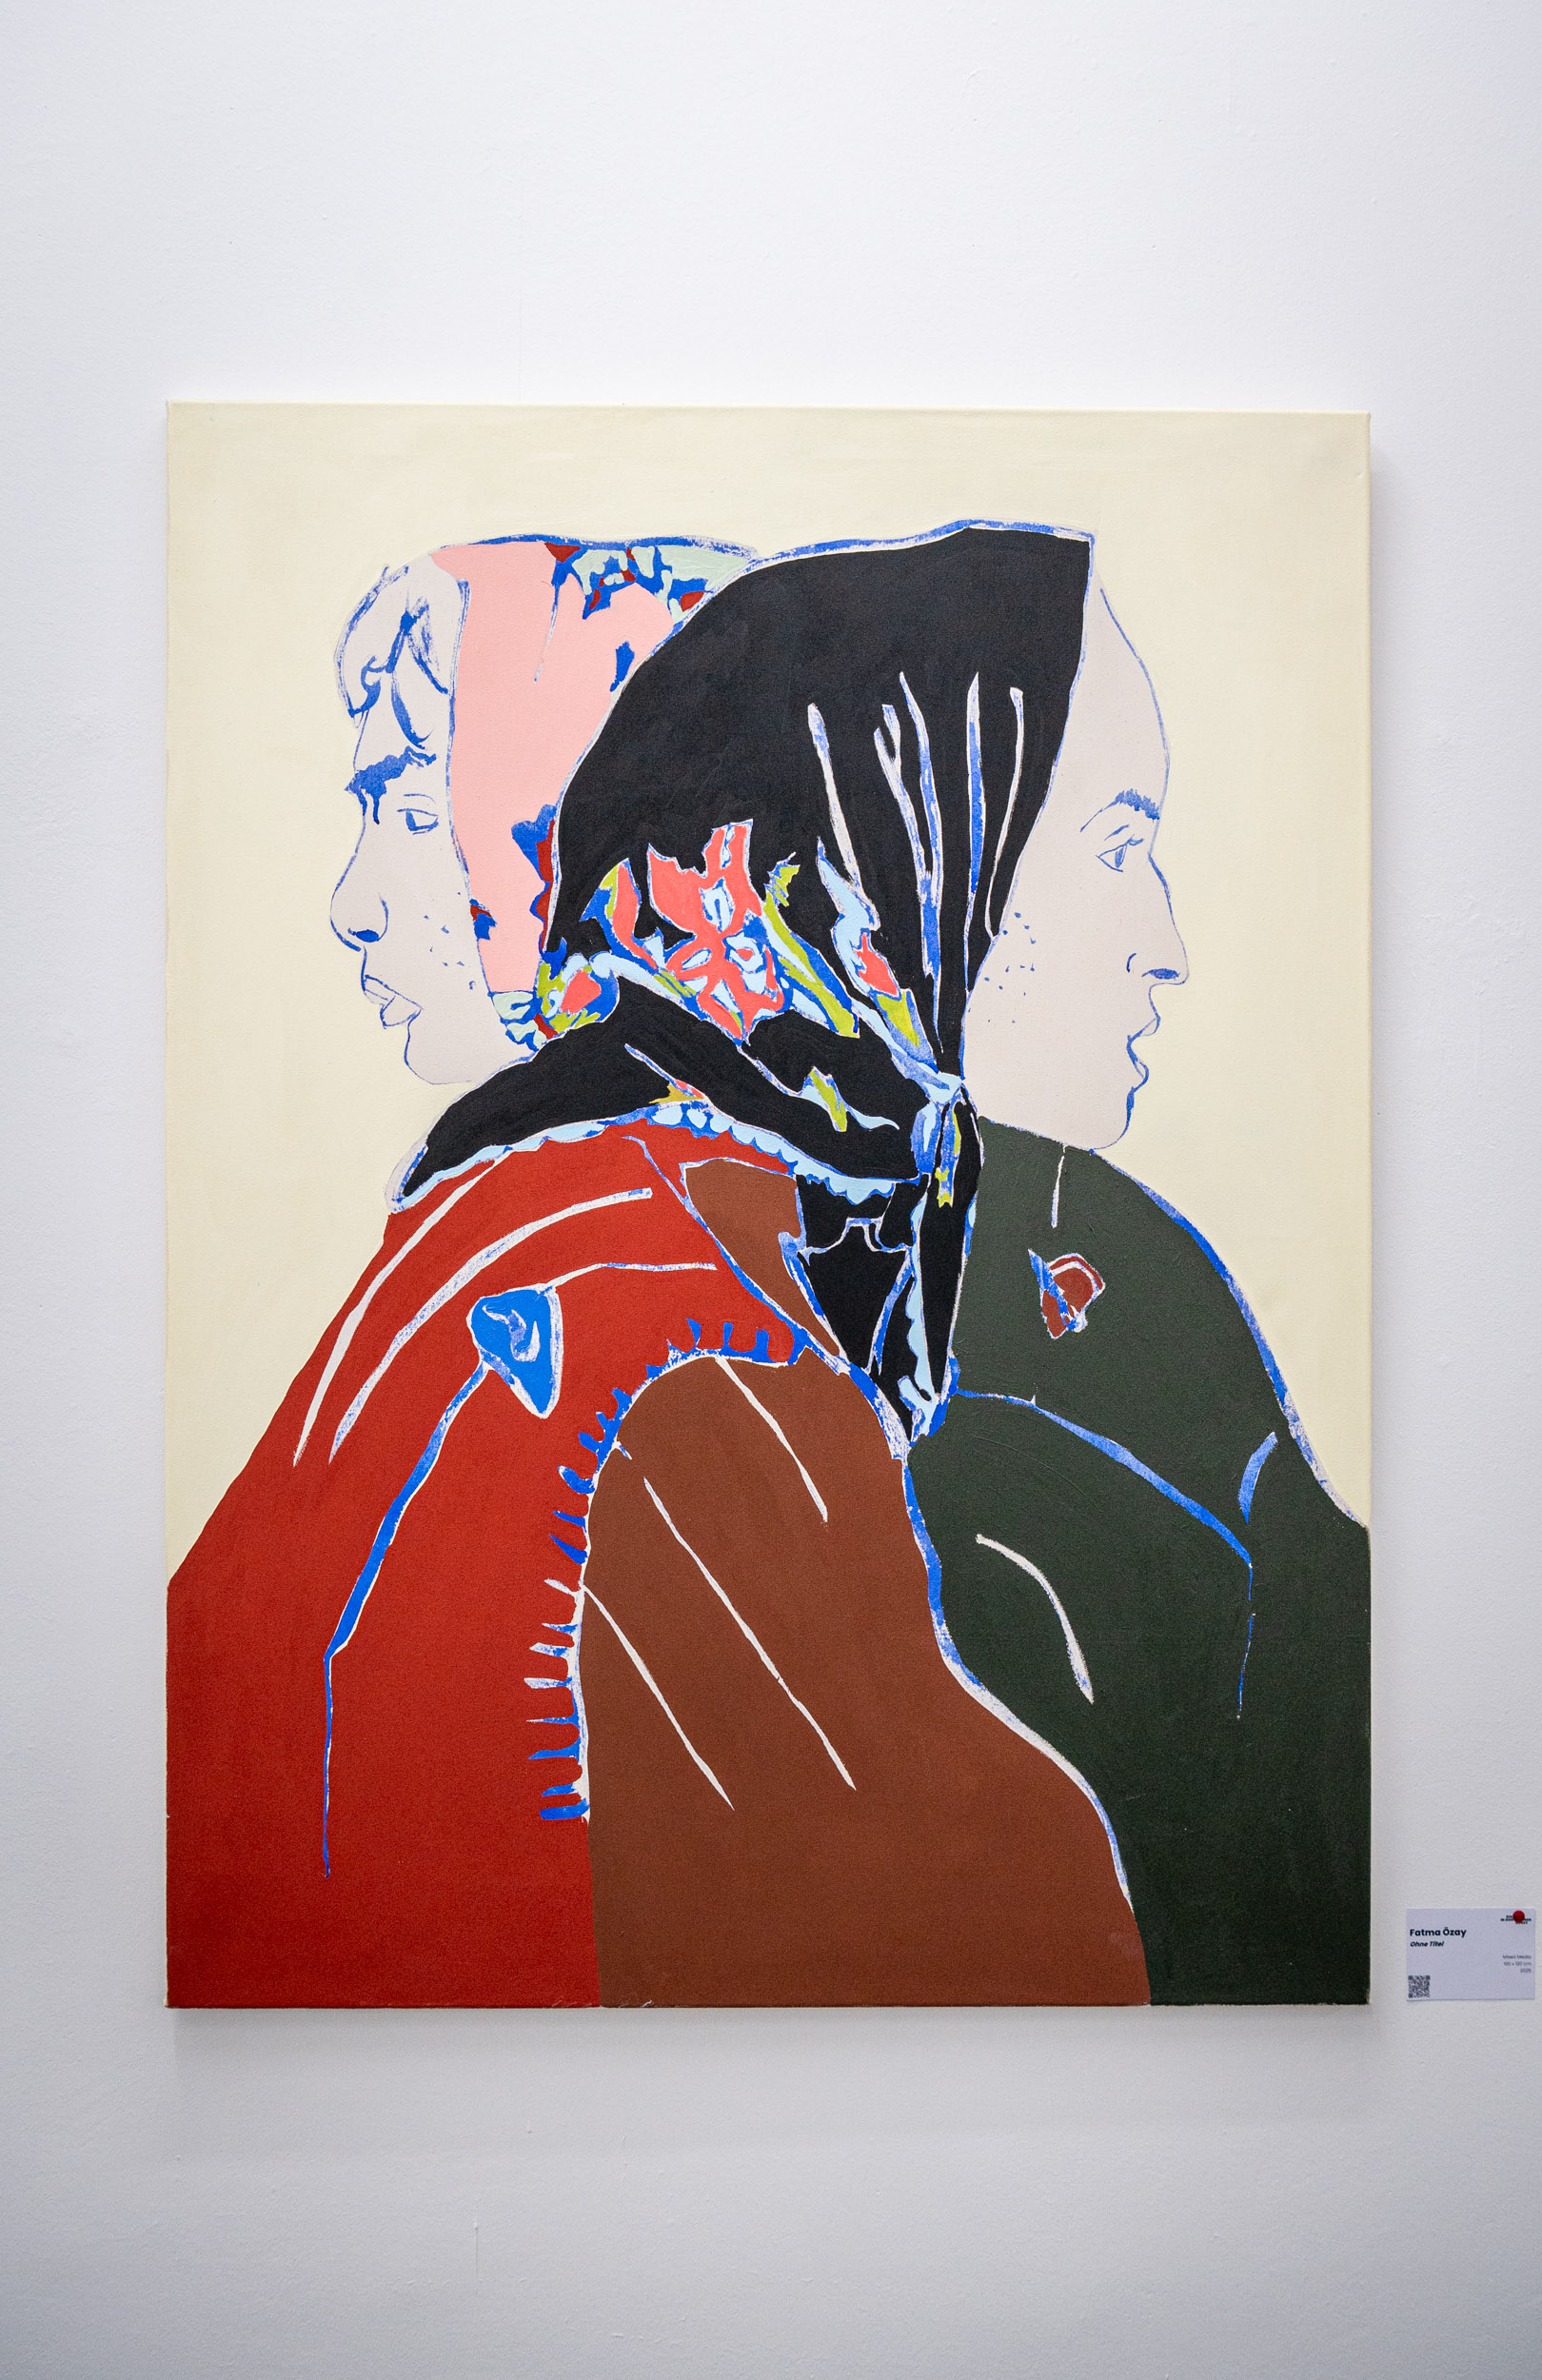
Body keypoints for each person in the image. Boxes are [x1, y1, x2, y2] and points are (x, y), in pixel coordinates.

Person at [167, 525, 1149, 2009]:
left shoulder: (550, 1213)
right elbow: (983, 1920)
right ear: (851, 879)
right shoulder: (691, 1355)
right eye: (1121, 851)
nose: (1165, 942)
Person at [911, 576, 1373, 2005]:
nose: (1164, 943)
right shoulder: (784, 1329)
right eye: (1119, 852)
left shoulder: (1114, 1240)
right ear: (953, 873)